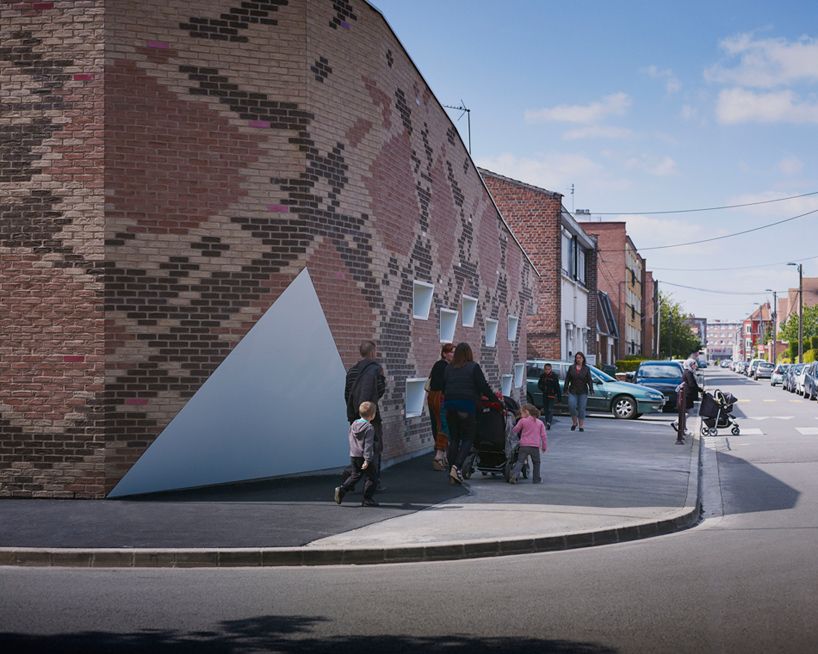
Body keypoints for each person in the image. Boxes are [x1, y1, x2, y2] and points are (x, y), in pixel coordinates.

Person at [441, 342, 498, 485]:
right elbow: (483, 386)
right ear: (469, 354)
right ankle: (457, 466)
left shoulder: (448, 368)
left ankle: (452, 472)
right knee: (468, 438)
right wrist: (495, 400)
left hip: (448, 405)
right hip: (465, 406)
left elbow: (443, 387)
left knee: (454, 438)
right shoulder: (473, 367)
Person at [344, 341, 386, 490]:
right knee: (374, 448)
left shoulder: (351, 372)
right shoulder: (376, 370)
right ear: (373, 354)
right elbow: (380, 390)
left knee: (357, 448)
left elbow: (347, 393)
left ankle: (351, 473)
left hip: (354, 414)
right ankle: (374, 484)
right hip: (370, 415)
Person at [334, 402, 378, 507]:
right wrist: (367, 460)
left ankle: (342, 489)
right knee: (372, 478)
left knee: (355, 475)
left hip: (353, 455)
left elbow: (351, 438)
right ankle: (367, 499)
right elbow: (368, 445)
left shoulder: (354, 424)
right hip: (363, 456)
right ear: (372, 415)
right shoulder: (369, 428)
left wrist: (353, 451)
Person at [427, 343, 455, 470]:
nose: (453, 355)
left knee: (438, 424)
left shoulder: (437, 365)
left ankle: (442, 456)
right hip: (441, 397)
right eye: (451, 352)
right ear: (444, 353)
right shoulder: (446, 367)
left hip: (433, 396)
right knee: (443, 426)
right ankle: (439, 457)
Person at [508, 404, 547, 484]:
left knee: (520, 461)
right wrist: (544, 446)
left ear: (526, 412)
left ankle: (514, 475)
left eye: (521, 413)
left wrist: (509, 431)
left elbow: (515, 431)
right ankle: (536, 479)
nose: (521, 415)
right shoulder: (540, 423)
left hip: (524, 445)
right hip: (535, 447)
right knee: (536, 462)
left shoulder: (522, 421)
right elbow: (543, 435)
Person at [673, 358, 703, 444]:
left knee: (686, 412)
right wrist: (700, 390)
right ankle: (677, 423)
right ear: (690, 364)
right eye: (693, 364)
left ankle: (681, 429)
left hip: (687, 396)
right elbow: (692, 384)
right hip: (687, 396)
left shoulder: (688, 372)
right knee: (688, 412)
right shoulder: (688, 373)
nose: (695, 366)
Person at [563, 351, 594, 432]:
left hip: (583, 390)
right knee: (571, 405)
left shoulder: (586, 369)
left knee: (581, 408)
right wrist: (565, 388)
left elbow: (589, 380)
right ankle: (574, 422)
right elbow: (567, 379)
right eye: (577, 358)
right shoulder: (571, 367)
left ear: (583, 359)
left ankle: (581, 426)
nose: (578, 359)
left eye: (580, 358)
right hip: (573, 390)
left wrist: (591, 390)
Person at [537, 363, 562, 429]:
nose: (547, 371)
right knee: (545, 409)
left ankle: (549, 422)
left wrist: (559, 399)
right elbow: (539, 384)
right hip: (545, 395)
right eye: (546, 369)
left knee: (549, 409)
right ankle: (547, 421)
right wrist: (542, 388)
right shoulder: (542, 376)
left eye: (548, 369)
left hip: (551, 395)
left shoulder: (554, 377)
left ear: (551, 369)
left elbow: (557, 388)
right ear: (544, 369)